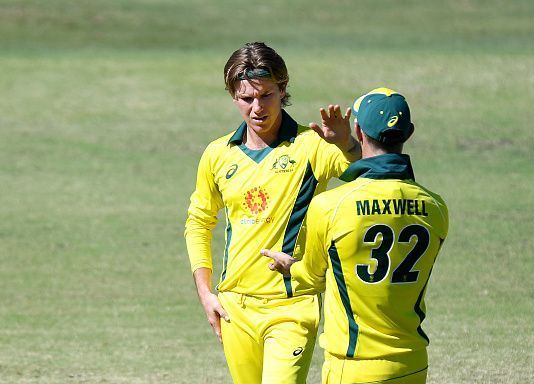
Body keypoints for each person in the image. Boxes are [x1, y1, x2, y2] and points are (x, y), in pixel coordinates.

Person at [184, 42, 361, 384]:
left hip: (291, 307)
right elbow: (198, 223)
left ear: (282, 89)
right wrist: (206, 294)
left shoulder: (311, 145)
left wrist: (347, 144)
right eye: (246, 98)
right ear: (233, 96)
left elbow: (365, 172)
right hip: (235, 306)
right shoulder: (218, 154)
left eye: (266, 95)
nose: (256, 107)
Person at [262, 87, 449, 384]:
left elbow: (311, 277)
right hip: (412, 363)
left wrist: (289, 266)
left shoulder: (330, 205)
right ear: (408, 133)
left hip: (353, 366)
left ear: (358, 130)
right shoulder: (436, 207)